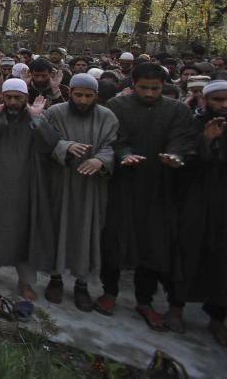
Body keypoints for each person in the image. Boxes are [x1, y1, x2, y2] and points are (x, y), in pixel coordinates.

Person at [97, 63, 195, 331]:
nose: (149, 94)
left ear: (163, 87)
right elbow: (114, 137)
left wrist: (175, 155)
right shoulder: (119, 106)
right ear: (133, 84)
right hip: (124, 184)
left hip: (160, 187)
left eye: (155, 89)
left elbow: (183, 138)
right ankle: (109, 292)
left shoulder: (177, 110)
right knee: (115, 238)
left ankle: (144, 300)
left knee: (154, 243)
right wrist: (125, 154)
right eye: (144, 88)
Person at [0, 78, 58, 300]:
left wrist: (38, 118)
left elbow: (50, 144)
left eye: (18, 98)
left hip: (27, 184)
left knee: (26, 231)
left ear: (26, 99)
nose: (12, 102)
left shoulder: (36, 116)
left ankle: (26, 282)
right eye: (8, 97)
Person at [44, 73, 119, 311]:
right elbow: (44, 140)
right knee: (58, 229)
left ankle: (82, 285)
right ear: (70, 92)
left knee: (88, 233)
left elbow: (112, 145)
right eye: (79, 95)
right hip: (61, 183)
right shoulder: (55, 113)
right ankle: (55, 279)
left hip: (91, 187)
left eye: (89, 96)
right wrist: (65, 146)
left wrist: (100, 160)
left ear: (96, 96)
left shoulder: (107, 117)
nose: (83, 100)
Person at [165, 80, 227, 344]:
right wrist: (205, 141)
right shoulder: (193, 123)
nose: (223, 106)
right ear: (206, 100)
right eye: (218, 100)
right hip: (195, 201)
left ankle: (216, 319)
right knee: (186, 252)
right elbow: (183, 159)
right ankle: (176, 308)